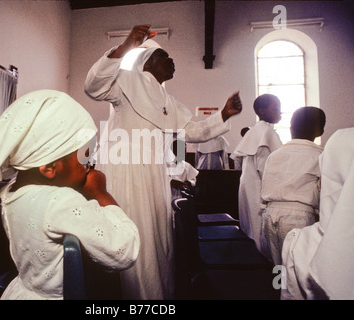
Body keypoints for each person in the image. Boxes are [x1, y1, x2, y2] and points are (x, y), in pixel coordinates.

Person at [84, 24, 242, 299]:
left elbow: (193, 131)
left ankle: (156, 295)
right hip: (126, 172)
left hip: (154, 177)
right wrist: (125, 47)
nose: (172, 61)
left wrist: (223, 115)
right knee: (130, 236)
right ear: (148, 62)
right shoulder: (125, 81)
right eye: (165, 57)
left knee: (157, 241)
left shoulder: (169, 100)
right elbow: (92, 87)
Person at [0, 90, 140, 300]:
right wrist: (100, 193)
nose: (91, 166)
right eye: (86, 158)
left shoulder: (12, 190)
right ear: (50, 168)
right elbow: (123, 250)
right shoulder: (62, 202)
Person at [281, 127, 354, 300]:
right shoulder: (314, 153)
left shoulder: (301, 244)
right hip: (301, 211)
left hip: (275, 212)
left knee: (275, 265)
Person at [260, 106, 326, 265]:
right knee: (298, 265)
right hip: (298, 216)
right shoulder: (320, 155)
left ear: (291, 129)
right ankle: (288, 290)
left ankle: (278, 289)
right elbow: (324, 191)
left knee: (277, 265)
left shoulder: (275, 154)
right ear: (320, 131)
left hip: (270, 214)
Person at [230, 94, 282, 251]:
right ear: (262, 111)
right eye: (275, 109)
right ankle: (263, 267)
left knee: (251, 227)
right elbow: (266, 169)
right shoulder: (266, 133)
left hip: (248, 186)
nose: (279, 112)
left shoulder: (255, 131)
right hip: (258, 188)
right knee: (260, 230)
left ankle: (254, 259)